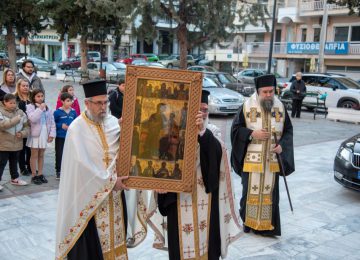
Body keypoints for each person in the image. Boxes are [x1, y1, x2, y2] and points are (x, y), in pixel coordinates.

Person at [55, 80, 147, 260]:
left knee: (116, 243)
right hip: (89, 203)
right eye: (99, 103)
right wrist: (112, 183)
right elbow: (82, 168)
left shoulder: (113, 123)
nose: (103, 107)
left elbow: (124, 150)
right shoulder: (76, 129)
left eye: (106, 102)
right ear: (87, 103)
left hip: (115, 199)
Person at [147, 90, 242, 260]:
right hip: (178, 200)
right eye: (197, 109)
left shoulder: (211, 132)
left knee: (208, 247)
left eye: (204, 109)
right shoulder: (172, 132)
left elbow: (218, 159)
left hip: (206, 199)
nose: (201, 113)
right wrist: (160, 185)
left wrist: (202, 133)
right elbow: (161, 160)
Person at [231, 74, 295, 236]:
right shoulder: (246, 106)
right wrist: (252, 133)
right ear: (258, 92)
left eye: (271, 91)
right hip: (252, 160)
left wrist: (282, 147)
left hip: (272, 161)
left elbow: (288, 131)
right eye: (265, 92)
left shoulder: (280, 107)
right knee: (249, 192)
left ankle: (266, 227)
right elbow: (236, 130)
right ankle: (248, 222)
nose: (268, 95)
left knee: (269, 194)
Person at [0, 94, 29, 191]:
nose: (13, 105)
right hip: (3, 144)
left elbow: (27, 126)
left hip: (17, 144)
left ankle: (15, 178)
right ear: (5, 102)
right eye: (10, 103)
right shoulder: (1, 112)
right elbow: (2, 126)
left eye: (14, 103)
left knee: (14, 162)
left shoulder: (21, 112)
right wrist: (16, 119)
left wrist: (23, 133)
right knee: (1, 163)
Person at [26, 89, 56, 185]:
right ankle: (34, 175)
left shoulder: (47, 108)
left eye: (42, 96)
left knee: (41, 154)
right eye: (38, 96)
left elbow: (52, 121)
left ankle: (40, 173)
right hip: (35, 134)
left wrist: (51, 134)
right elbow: (33, 119)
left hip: (44, 133)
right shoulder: (30, 107)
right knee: (34, 154)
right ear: (33, 97)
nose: (40, 98)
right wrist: (40, 109)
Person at [53, 92, 77, 180]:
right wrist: (60, 126)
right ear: (62, 101)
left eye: (71, 101)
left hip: (70, 137)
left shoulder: (73, 112)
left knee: (70, 153)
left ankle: (68, 170)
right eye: (68, 101)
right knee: (59, 153)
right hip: (60, 137)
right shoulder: (57, 112)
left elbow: (76, 123)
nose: (70, 102)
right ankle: (58, 171)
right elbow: (53, 124)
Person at [14, 79, 32, 176]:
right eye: (23, 86)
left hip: (32, 126)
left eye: (27, 86)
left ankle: (30, 166)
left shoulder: (32, 97)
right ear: (19, 86)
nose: (25, 87)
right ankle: (22, 167)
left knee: (30, 147)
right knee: (22, 148)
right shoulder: (15, 97)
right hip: (20, 126)